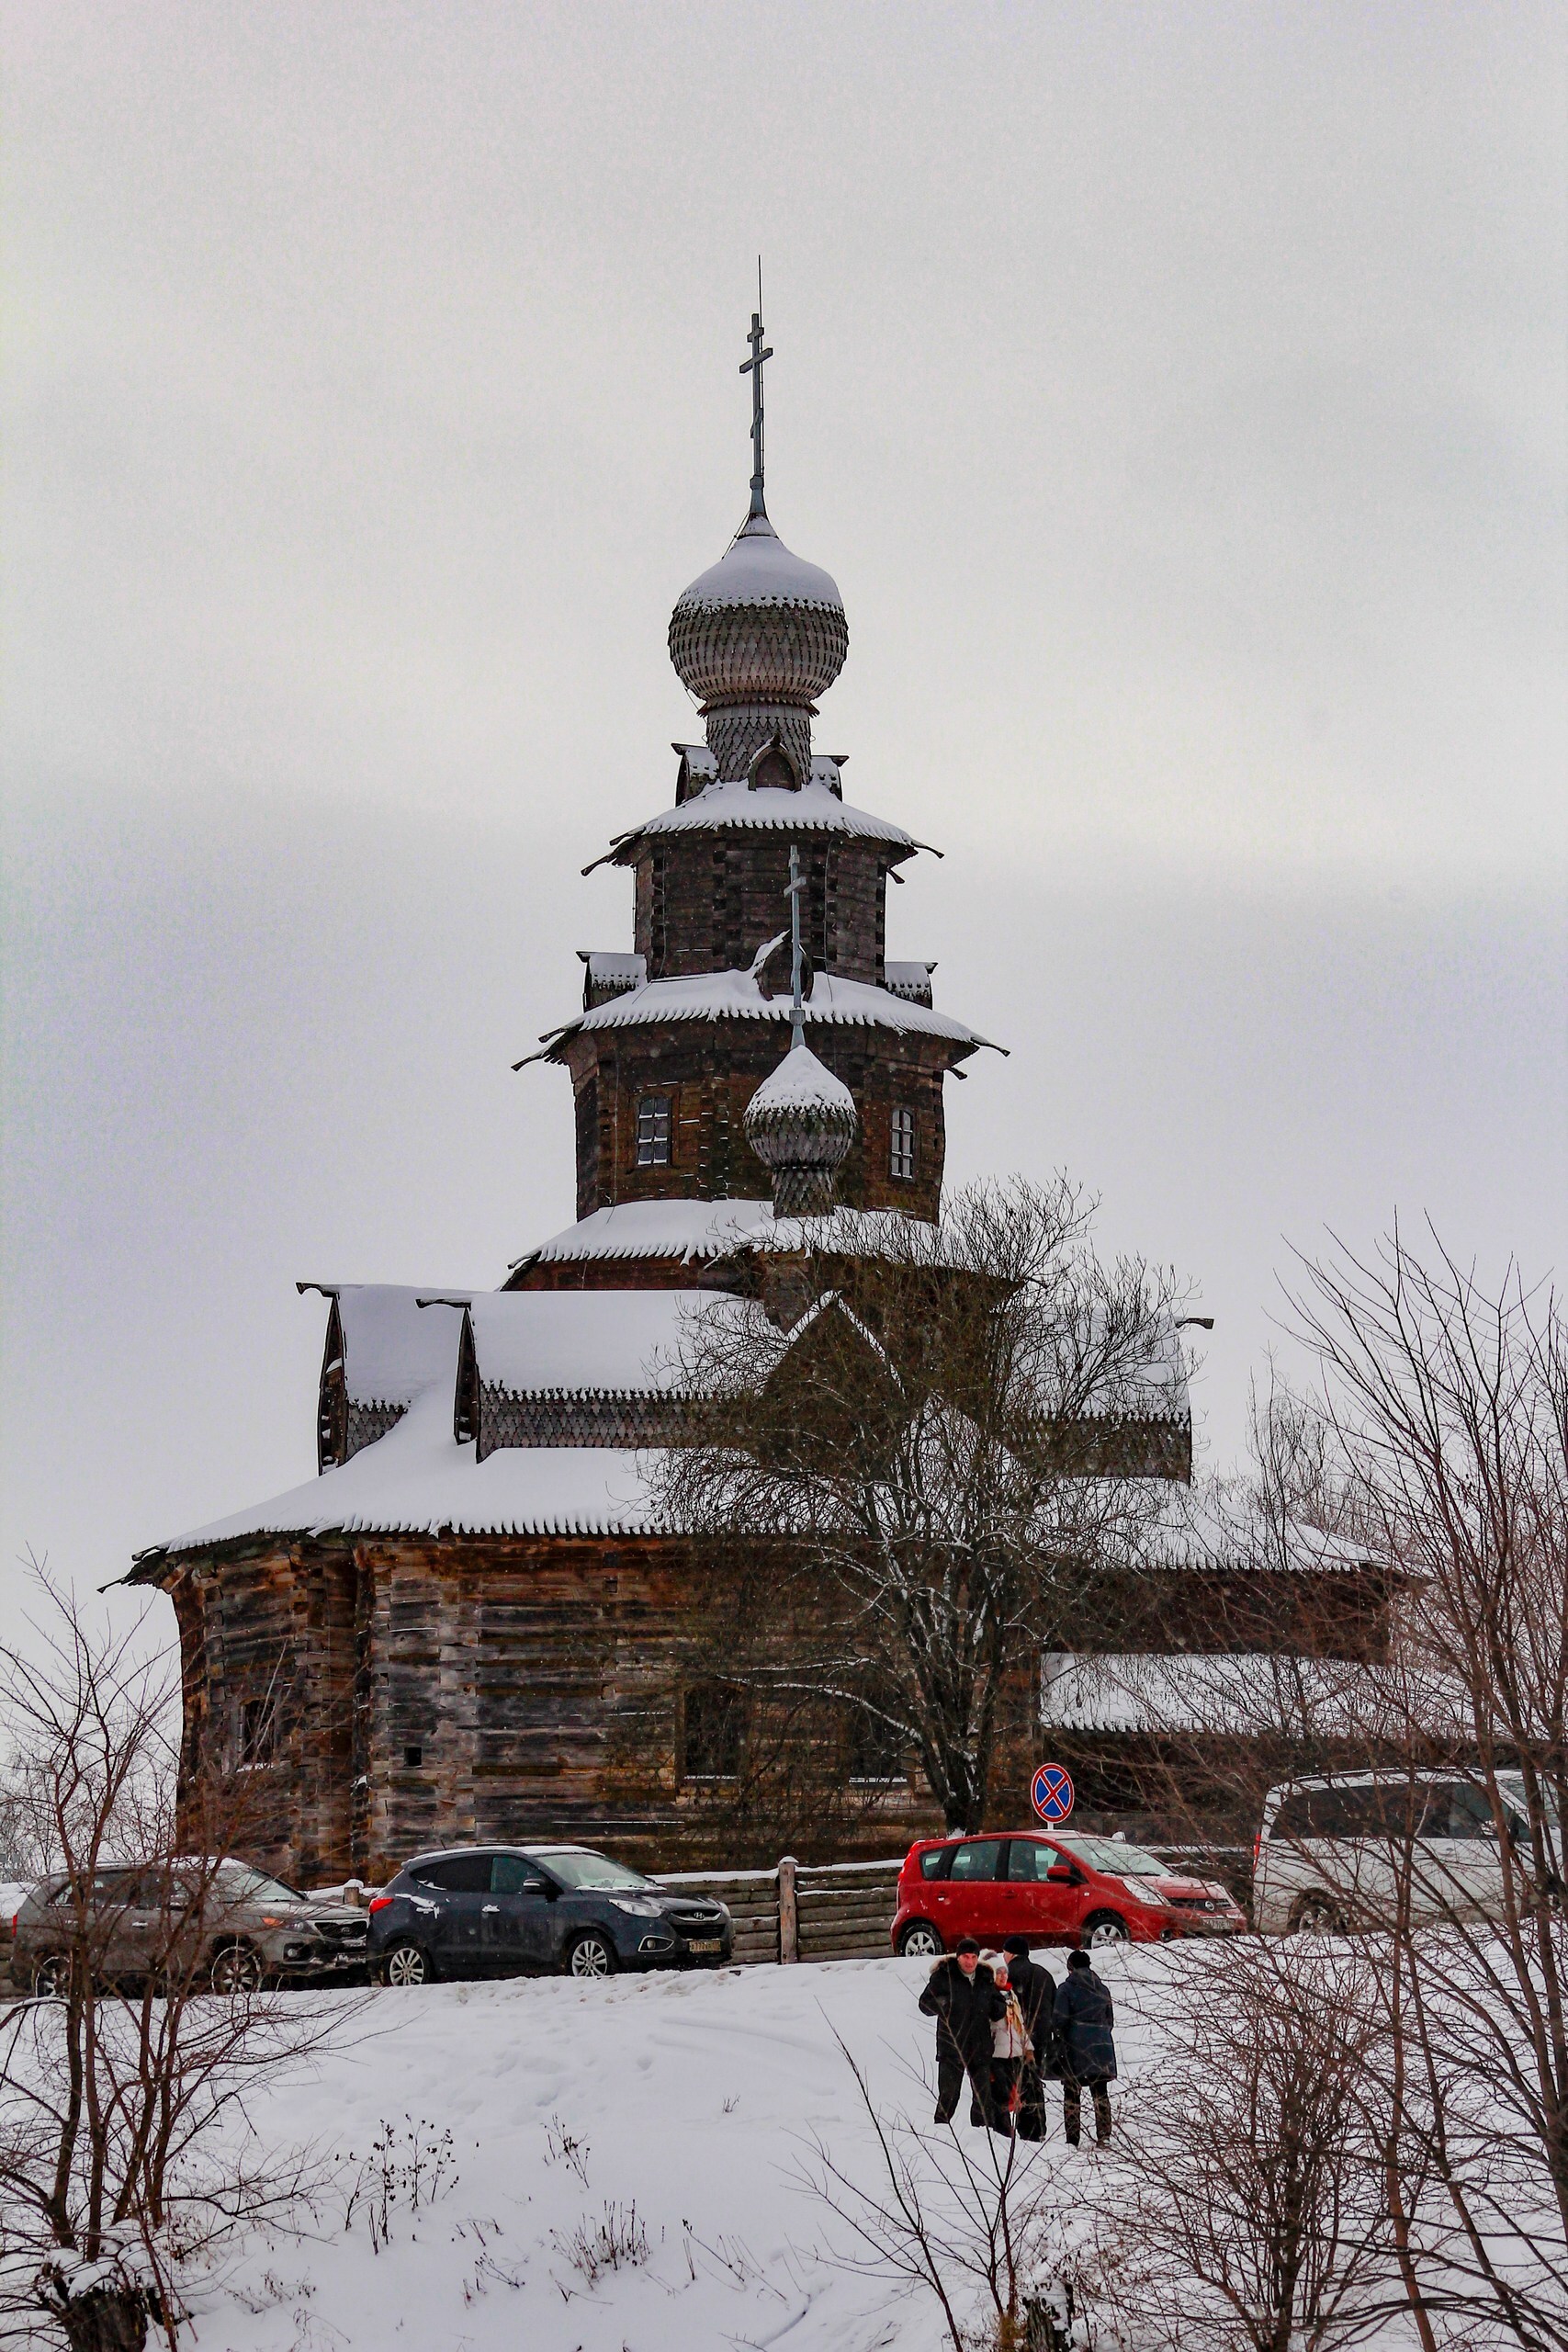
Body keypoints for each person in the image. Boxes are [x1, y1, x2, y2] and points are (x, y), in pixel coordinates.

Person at [919, 1936, 1003, 2128]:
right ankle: (940, 2130)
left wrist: (995, 2008)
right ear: (958, 1958)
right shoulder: (944, 1976)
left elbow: (997, 2004)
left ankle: (982, 2134)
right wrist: (946, 2005)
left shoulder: (984, 1977)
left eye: (974, 1957)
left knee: (983, 2097)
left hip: (980, 2045)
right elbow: (924, 2004)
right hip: (952, 2046)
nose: (970, 1962)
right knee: (949, 2094)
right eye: (966, 1957)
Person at [1054, 1947, 1117, 2145]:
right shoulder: (1103, 1989)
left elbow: (1059, 2020)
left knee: (1072, 2093)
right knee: (1100, 2092)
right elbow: (1110, 2021)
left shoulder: (1066, 1989)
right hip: (1102, 2047)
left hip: (1076, 2049)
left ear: (1069, 1967)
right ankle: (1104, 2135)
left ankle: (1073, 2139)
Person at [1001, 1937, 1058, 2141]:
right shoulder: (1043, 1974)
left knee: (1018, 2084)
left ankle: (1027, 2130)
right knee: (1034, 2082)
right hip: (1041, 2037)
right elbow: (1055, 2005)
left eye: (1004, 1952)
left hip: (1017, 2037)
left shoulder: (1009, 1975)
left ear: (1011, 1953)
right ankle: (1039, 2126)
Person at [980, 1951, 1032, 2135]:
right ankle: (1000, 2131)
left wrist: (1028, 2047)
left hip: (1014, 2053)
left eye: (1004, 1972)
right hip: (995, 2054)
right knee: (999, 2094)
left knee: (1015, 2093)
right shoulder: (988, 1996)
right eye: (998, 1973)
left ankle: (1017, 2131)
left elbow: (1020, 2024)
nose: (1002, 1976)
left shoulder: (1011, 1995)